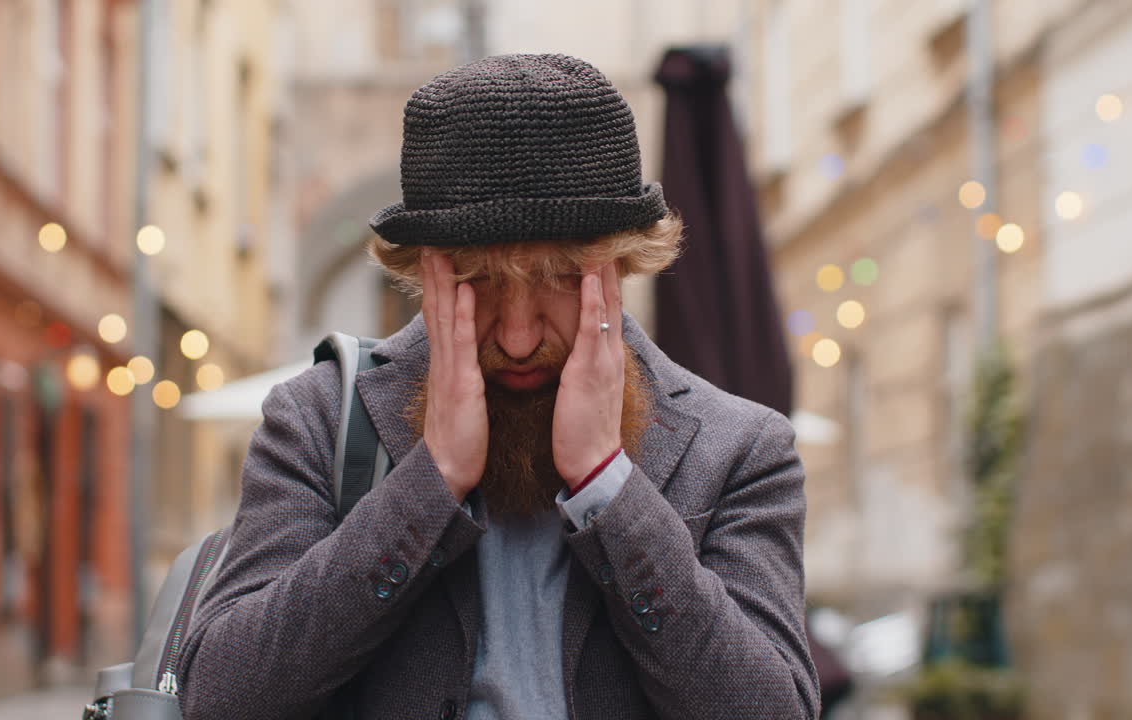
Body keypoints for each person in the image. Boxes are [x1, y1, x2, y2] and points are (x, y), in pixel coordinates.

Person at [178, 53, 818, 720]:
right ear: (425, 274)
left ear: (622, 264)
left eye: (560, 278)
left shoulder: (742, 449)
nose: (516, 336)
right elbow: (222, 698)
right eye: (478, 281)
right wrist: (429, 485)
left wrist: (609, 488)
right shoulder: (318, 419)